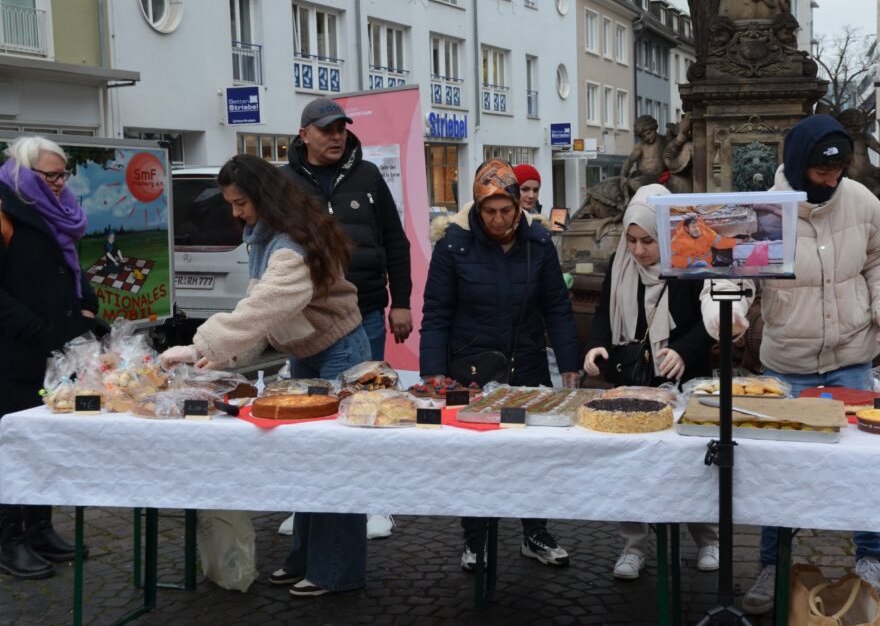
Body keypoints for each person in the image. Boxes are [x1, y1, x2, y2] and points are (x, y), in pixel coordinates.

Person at [701, 114, 880, 615]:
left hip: (852, 357)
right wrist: (725, 317)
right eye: (821, 171)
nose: (832, 179)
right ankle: (773, 564)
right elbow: (736, 273)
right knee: (778, 472)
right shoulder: (763, 209)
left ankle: (871, 559)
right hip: (787, 362)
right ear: (797, 165)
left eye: (838, 169)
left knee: (863, 466)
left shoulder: (861, 201)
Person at [160, 155, 370, 598]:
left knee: (334, 464)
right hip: (308, 354)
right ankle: (305, 559)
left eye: (240, 203)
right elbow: (266, 315)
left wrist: (202, 346)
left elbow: (262, 308)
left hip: (339, 353)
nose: (235, 213)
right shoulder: (264, 235)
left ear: (266, 199)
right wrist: (225, 356)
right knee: (309, 462)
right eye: (231, 204)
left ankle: (336, 570)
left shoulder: (292, 245)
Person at [420, 157, 580, 571]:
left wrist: (569, 364)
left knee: (533, 452)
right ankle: (476, 538)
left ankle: (535, 532)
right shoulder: (453, 244)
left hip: (526, 362)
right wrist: (433, 373)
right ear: (476, 206)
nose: (497, 218)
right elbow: (436, 312)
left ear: (517, 204)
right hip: (471, 366)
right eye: (488, 211)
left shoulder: (538, 242)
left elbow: (557, 309)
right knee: (477, 456)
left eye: (506, 209)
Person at [280, 96, 409, 539]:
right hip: (307, 318)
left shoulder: (369, 176)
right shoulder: (285, 184)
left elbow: (395, 241)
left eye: (340, 128)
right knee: (311, 412)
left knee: (366, 409)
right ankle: (309, 506)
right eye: (326, 129)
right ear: (305, 135)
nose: (336, 136)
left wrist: (403, 301)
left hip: (367, 311)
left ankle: (374, 502)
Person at [581, 184, 720, 581]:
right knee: (630, 464)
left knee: (692, 464)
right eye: (632, 240)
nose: (638, 250)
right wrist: (594, 348)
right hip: (631, 379)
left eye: (648, 241)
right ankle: (633, 546)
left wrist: (684, 351)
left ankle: (707, 539)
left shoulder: (691, 261)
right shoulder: (621, 263)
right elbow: (603, 315)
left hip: (681, 378)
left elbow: (708, 323)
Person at [0, 136, 97, 580]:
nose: (60, 183)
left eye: (63, 174)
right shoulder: (5, 212)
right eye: (51, 175)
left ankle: (40, 527)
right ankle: (9, 540)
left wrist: (88, 306)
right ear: (24, 175)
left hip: (56, 352)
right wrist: (30, 327)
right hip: (14, 354)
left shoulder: (55, 208)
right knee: (12, 448)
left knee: (45, 442)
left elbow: (73, 265)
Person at [669, 214, 737, 269]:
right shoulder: (677, 241)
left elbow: (721, 242)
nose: (697, 229)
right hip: (685, 271)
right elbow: (669, 260)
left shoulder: (705, 232)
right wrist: (689, 260)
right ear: (686, 228)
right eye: (693, 227)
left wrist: (739, 241)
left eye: (698, 226)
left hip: (706, 269)